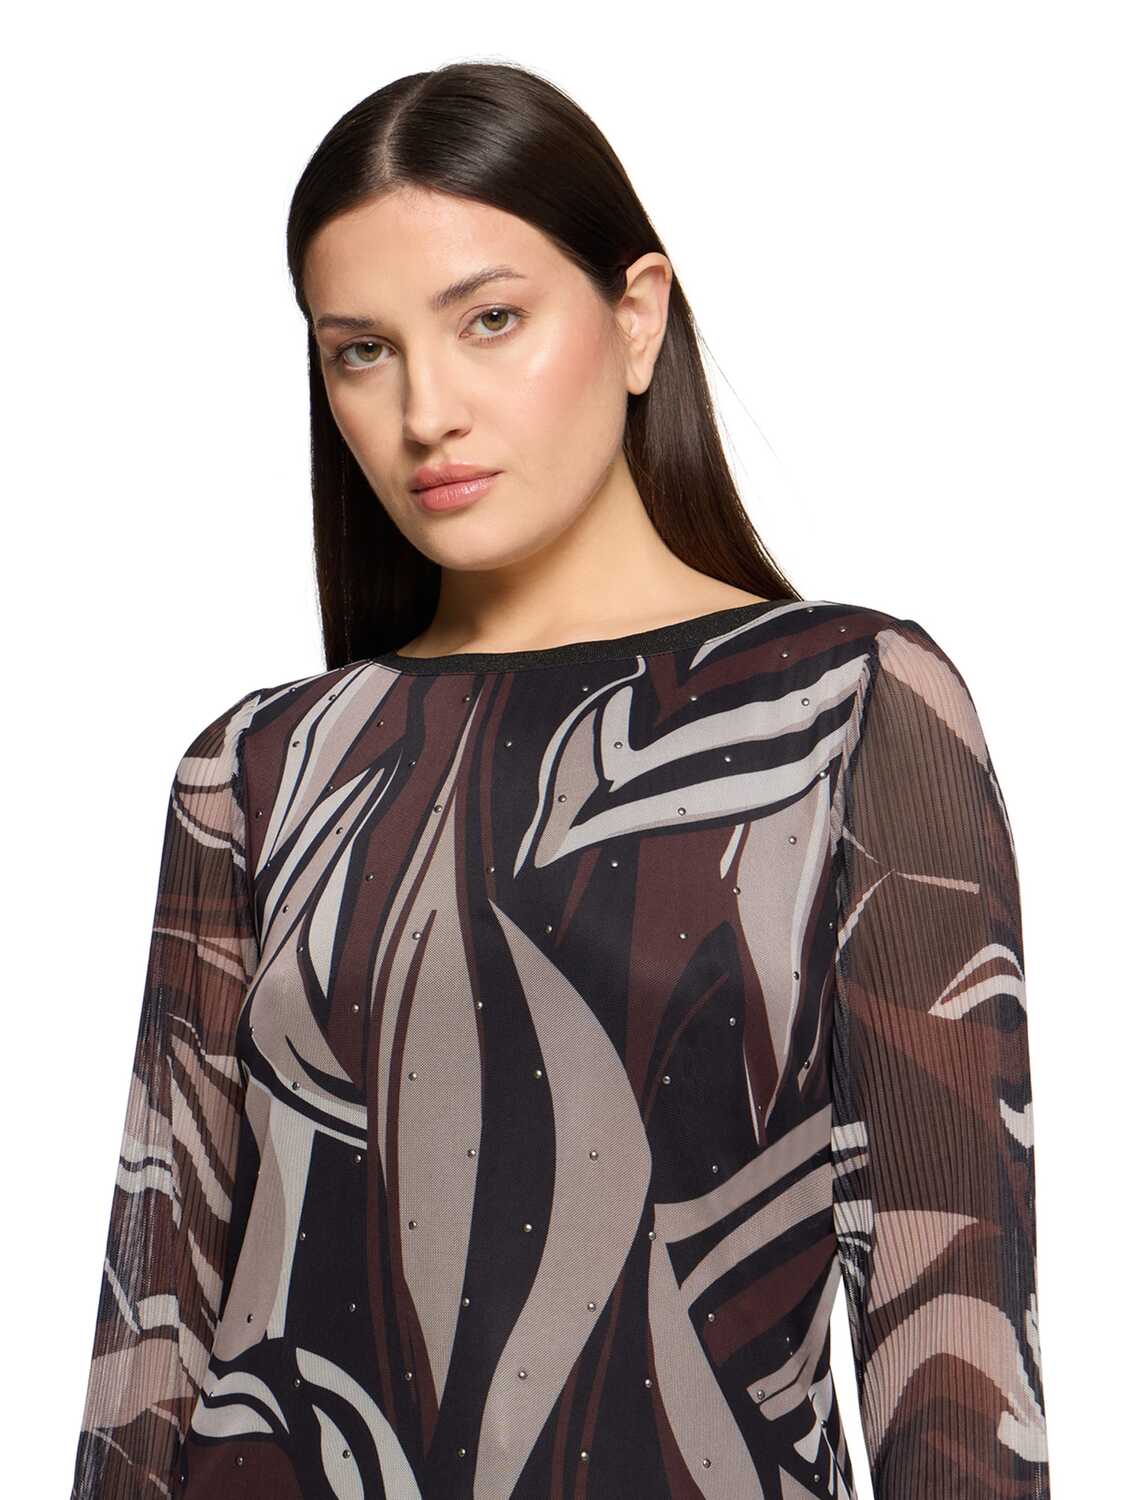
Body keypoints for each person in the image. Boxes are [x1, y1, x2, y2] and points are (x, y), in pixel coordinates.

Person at [69, 60, 1050, 1500]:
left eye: (490, 320)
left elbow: (952, 1332)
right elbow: (151, 1331)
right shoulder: (257, 769)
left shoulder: (847, 707)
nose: (428, 410)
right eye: (362, 350)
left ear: (636, 316)